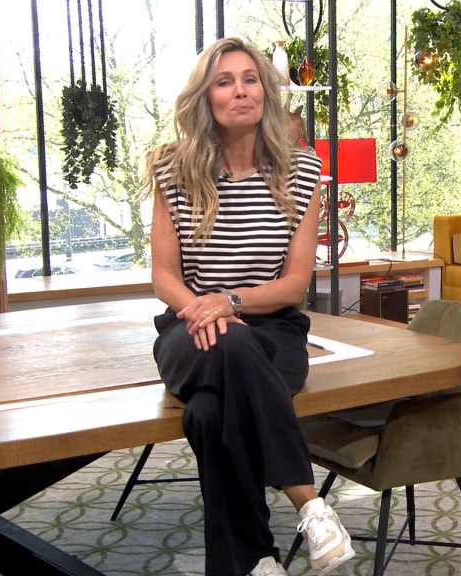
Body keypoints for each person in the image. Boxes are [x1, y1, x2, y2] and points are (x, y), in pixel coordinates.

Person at [144, 37, 354, 576]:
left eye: (250, 79)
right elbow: (164, 276)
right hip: (189, 330)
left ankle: (254, 562)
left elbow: (294, 285)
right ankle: (309, 503)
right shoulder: (172, 169)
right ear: (206, 98)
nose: (240, 91)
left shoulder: (302, 171)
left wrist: (231, 301)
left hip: (275, 333)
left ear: (264, 91)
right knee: (232, 341)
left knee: (208, 413)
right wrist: (205, 310)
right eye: (225, 81)